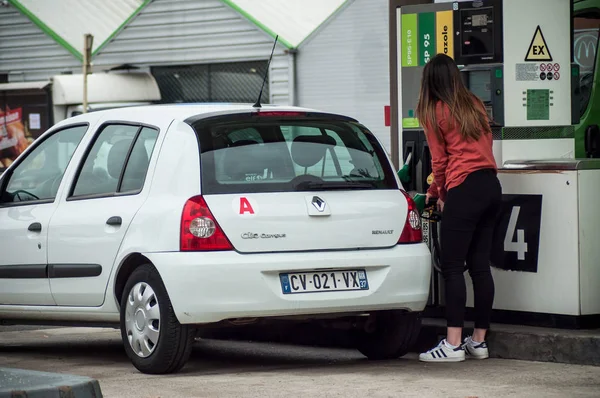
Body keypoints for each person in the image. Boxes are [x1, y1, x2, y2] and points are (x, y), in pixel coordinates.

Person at [415, 53, 502, 362]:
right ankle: (478, 341)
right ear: (454, 76)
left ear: (429, 81)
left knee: (452, 267)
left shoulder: (433, 110)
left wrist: (436, 191)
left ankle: (452, 344)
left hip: (464, 189)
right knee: (480, 267)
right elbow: (486, 145)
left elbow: (440, 161)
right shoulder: (474, 104)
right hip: (491, 186)